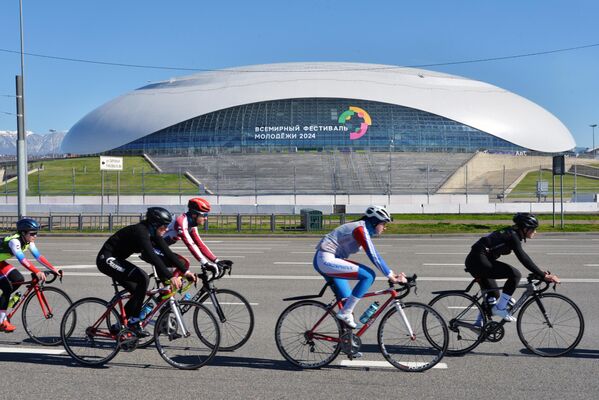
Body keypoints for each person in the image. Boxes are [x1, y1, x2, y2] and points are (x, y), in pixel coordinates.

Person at [96, 207, 195, 336]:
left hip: (118, 259)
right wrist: (170, 277)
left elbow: (168, 253)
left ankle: (120, 324)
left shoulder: (153, 233)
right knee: (143, 278)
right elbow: (151, 255)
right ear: (154, 224)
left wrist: (185, 271)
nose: (166, 229)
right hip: (107, 259)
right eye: (164, 226)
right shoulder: (141, 231)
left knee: (138, 291)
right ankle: (134, 322)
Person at [313, 205, 406, 329]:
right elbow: (373, 255)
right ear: (374, 221)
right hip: (325, 260)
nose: (385, 227)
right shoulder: (360, 229)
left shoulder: (363, 228)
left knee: (348, 302)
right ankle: (345, 313)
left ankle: (346, 341)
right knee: (368, 275)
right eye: (383, 224)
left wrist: (391, 274)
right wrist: (391, 275)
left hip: (330, 260)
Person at [465, 212, 560, 322]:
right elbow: (523, 258)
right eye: (533, 229)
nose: (535, 232)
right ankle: (500, 308)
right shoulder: (512, 236)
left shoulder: (511, 233)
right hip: (478, 261)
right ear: (525, 228)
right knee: (515, 274)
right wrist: (543, 275)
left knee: (494, 294)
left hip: (477, 261)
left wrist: (539, 273)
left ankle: (478, 324)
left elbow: (524, 258)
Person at [0, 218, 63, 332]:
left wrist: (53, 268)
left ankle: (3, 301)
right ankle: (1, 322)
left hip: (0, 262)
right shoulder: (15, 242)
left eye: (36, 233)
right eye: (32, 233)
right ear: (23, 233)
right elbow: (22, 260)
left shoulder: (29, 242)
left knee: (18, 279)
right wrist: (37, 271)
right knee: (6, 287)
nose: (35, 236)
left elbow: (38, 257)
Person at [163, 197, 233, 276]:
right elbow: (190, 244)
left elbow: (200, 244)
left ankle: (170, 284)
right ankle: (168, 287)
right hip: (151, 248)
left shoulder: (192, 225)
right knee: (183, 263)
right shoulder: (181, 222)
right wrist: (205, 263)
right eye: (204, 215)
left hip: (160, 248)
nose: (206, 218)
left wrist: (216, 260)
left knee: (182, 268)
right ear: (194, 215)